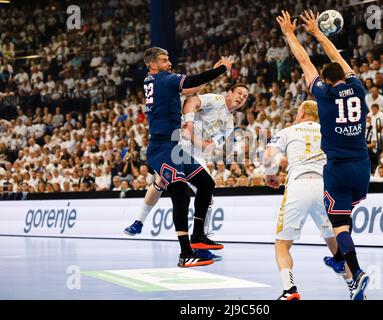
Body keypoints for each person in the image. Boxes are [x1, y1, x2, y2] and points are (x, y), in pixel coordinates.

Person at [277, 10, 370, 300]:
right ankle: (351, 276)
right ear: (344, 76)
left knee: (339, 224)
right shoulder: (357, 87)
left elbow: (305, 61)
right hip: (363, 166)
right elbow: (338, 61)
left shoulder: (323, 95)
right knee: (343, 221)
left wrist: (291, 34)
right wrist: (320, 34)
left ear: (326, 82)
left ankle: (356, 271)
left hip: (337, 169)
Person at [123, 80, 249, 259]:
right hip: (178, 140)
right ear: (229, 93)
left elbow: (208, 147)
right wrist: (189, 125)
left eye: (244, 97)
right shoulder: (216, 99)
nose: (241, 98)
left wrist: (192, 138)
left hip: (196, 151)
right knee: (160, 180)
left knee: (208, 193)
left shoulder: (229, 124)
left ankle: (200, 242)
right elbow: (191, 102)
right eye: (239, 94)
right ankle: (138, 222)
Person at [132, 47, 232, 268]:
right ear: (153, 65)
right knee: (180, 192)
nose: (169, 61)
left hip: (172, 146)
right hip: (160, 148)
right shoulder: (166, 79)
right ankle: (185, 253)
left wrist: (212, 73)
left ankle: (198, 235)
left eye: (169, 58)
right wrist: (222, 69)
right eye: (164, 59)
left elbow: (188, 89)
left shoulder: (154, 81)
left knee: (206, 183)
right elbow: (194, 80)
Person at [264, 101, 353, 300]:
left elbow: (268, 154)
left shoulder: (288, 131)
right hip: (325, 186)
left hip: (298, 185)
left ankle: (289, 289)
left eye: (297, 111)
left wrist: (270, 175)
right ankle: (353, 286)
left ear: (302, 112)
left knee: (282, 243)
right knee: (334, 241)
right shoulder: (330, 130)